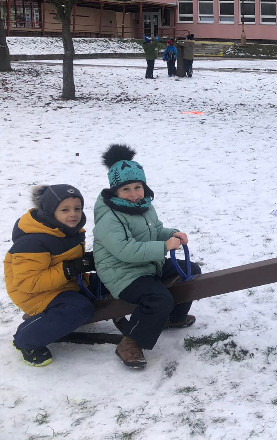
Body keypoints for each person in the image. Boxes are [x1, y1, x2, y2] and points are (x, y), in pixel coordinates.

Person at [93, 144, 201, 369]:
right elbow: (125, 250)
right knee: (158, 298)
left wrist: (172, 234)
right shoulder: (109, 217)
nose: (133, 194)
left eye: (137, 187)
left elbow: (156, 230)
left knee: (191, 270)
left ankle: (173, 318)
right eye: (126, 189)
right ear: (115, 191)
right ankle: (130, 342)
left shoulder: (144, 206)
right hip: (122, 274)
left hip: (147, 265)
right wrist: (163, 247)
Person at [4, 185, 96, 366]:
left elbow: (63, 258)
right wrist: (69, 269)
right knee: (79, 308)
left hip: (64, 283)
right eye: (65, 210)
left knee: (111, 281)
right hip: (34, 294)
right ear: (50, 211)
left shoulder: (68, 229)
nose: (73, 214)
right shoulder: (33, 241)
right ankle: (26, 339)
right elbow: (28, 282)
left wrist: (87, 260)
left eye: (77, 208)